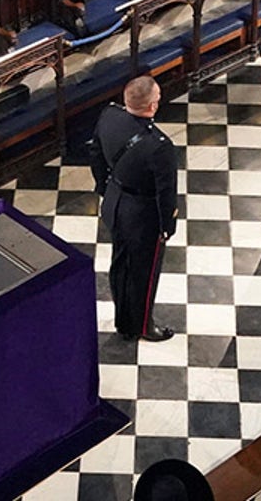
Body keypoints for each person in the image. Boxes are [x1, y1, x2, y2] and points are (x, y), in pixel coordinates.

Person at [91, 76, 180, 341]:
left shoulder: (109, 116)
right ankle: (141, 326)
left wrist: (104, 189)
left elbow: (95, 153)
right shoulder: (159, 146)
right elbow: (166, 193)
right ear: (152, 106)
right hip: (143, 216)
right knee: (143, 272)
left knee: (120, 263)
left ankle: (123, 317)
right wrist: (167, 225)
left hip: (115, 202)